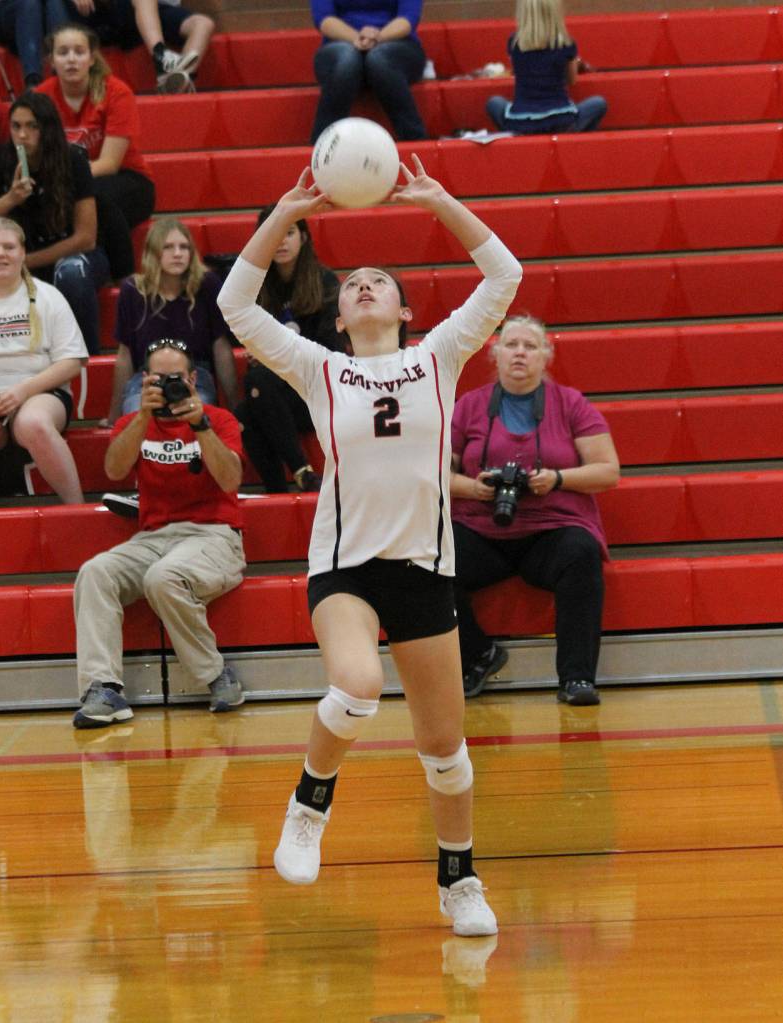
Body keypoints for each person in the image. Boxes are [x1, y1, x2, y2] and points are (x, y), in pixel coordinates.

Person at [217, 158, 522, 937]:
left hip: (424, 567)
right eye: (350, 283)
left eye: (378, 279)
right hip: (345, 566)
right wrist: (284, 213)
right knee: (355, 686)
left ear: (403, 307)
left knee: (444, 751)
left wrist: (440, 197)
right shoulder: (321, 369)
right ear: (340, 318)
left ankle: (459, 880)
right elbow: (234, 304)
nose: (361, 285)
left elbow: (503, 273)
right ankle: (308, 805)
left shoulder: (439, 357)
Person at [72, 337, 247, 729]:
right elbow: (115, 470)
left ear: (192, 378)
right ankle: (103, 688)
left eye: (175, 378)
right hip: (153, 538)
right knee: (95, 572)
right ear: (144, 380)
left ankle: (218, 675)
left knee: (163, 577)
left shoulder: (218, 419)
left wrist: (198, 423)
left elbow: (231, 478)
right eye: (158, 379)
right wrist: (141, 418)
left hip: (214, 536)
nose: (167, 385)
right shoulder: (133, 423)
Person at [450, 315, 620, 703]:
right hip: (481, 526)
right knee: (430, 559)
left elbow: (608, 471)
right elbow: (437, 473)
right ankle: (479, 654)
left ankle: (577, 678)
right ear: (494, 355)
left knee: (581, 552)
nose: (520, 353)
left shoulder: (572, 404)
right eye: (511, 345)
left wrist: (557, 479)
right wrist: (474, 489)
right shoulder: (469, 406)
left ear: (546, 356)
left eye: (530, 346)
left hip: (551, 528)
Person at [0, 92, 110, 354]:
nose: (22, 134)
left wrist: (27, 261)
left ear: (47, 129)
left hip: (73, 255)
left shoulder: (73, 160)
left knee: (72, 272)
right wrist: (10, 199)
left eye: (32, 126)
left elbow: (86, 238)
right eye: (16, 126)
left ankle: (87, 360)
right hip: (18, 255)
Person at [234, 205, 344, 493]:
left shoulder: (324, 282)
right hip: (277, 393)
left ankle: (298, 474)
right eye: (274, 234)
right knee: (246, 412)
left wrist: (276, 351)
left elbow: (331, 350)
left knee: (257, 384)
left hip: (318, 391)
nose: (281, 241)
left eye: (289, 232)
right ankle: (280, 491)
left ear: (304, 237)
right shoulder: (257, 286)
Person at [36, 25, 155, 280]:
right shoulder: (41, 97)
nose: (71, 59)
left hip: (128, 180)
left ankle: (124, 276)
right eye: (63, 52)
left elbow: (110, 163)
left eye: (79, 52)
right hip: (67, 183)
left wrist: (69, 183)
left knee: (96, 197)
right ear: (51, 61)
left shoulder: (116, 92)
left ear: (91, 58)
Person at [0, 216, 86, 503]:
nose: (1, 253)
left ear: (23, 253)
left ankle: (77, 509)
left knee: (34, 423)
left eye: (9, 246)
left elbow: (72, 361)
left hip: (41, 393)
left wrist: (23, 391)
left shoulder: (49, 297)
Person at [103, 217, 239, 426]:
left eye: (184, 247)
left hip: (195, 376)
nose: (178, 254)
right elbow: (125, 355)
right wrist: (114, 415)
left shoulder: (207, 284)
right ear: (153, 252)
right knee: (135, 416)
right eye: (168, 247)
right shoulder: (133, 290)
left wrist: (234, 407)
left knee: (197, 411)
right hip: (146, 377)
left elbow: (220, 347)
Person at [310, 1, 428, 143]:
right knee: (347, 60)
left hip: (398, 45)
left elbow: (408, 18)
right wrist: (357, 38)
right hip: (339, 44)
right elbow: (323, 19)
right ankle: (322, 148)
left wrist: (377, 37)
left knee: (379, 59)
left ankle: (416, 143)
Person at [485, 0, 607, 136]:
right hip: (561, 121)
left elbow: (520, 71)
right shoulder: (566, 43)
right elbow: (571, 80)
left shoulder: (514, 43)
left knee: (494, 103)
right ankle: (573, 143)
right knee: (598, 103)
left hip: (521, 122)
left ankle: (518, 140)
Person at [50, 0, 214, 94]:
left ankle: (178, 79)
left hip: (150, 11)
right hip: (107, 12)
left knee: (203, 24)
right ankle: (161, 56)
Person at [0, 0, 46, 89]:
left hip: (42, 14)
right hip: (5, 12)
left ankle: (60, 76)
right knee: (29, 3)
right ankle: (33, 81)